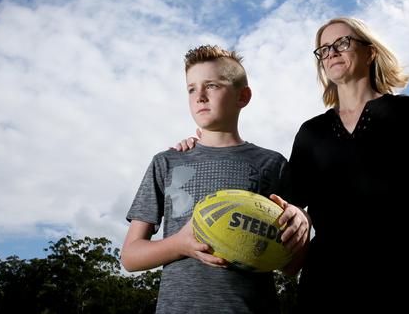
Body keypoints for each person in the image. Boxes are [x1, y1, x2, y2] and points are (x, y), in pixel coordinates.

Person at [289, 16, 409, 314]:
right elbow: (285, 208)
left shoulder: (406, 113)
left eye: (343, 43)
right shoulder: (310, 132)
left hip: (405, 284)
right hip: (326, 289)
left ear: (370, 51)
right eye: (323, 49)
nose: (332, 52)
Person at [121, 45, 310, 314]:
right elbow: (130, 257)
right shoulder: (167, 161)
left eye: (211, 85)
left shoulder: (271, 164)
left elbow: (291, 266)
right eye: (191, 88)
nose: (199, 96)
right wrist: (179, 244)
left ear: (242, 96)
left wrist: (303, 223)